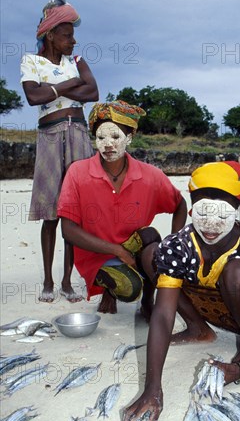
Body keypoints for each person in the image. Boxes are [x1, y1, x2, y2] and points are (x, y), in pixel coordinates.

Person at [123, 160, 240, 421]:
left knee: (236, 272)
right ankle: (198, 329)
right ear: (191, 211)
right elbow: (164, 314)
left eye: (222, 216)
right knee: (154, 254)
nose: (211, 226)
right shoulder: (179, 245)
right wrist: (152, 387)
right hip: (212, 307)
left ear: (238, 210)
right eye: (203, 215)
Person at [57, 100, 187, 317]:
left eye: (115, 137)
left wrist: (175, 241)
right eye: (101, 137)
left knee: (151, 237)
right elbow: (68, 230)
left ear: (130, 137)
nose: (108, 144)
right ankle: (109, 289)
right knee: (129, 287)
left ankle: (148, 301)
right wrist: (118, 251)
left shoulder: (150, 175)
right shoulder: (77, 172)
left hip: (133, 246)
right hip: (95, 253)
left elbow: (180, 204)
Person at [20, 0, 99, 303]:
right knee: (50, 213)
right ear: (50, 35)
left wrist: (51, 88)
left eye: (73, 35)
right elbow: (32, 97)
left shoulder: (77, 61)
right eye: (67, 35)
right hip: (50, 137)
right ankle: (48, 281)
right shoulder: (31, 61)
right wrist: (68, 85)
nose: (73, 40)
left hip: (79, 134)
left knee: (73, 214)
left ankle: (68, 281)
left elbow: (92, 91)